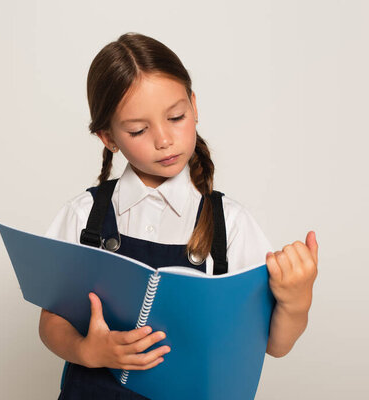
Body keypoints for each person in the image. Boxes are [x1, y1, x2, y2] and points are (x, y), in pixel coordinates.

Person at [39, 32, 319, 400]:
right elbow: (51, 322)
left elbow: (274, 345)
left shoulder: (230, 224)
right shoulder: (83, 215)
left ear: (194, 105)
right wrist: (87, 351)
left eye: (176, 116)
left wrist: (297, 298)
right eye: (138, 130)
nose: (164, 139)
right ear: (108, 137)